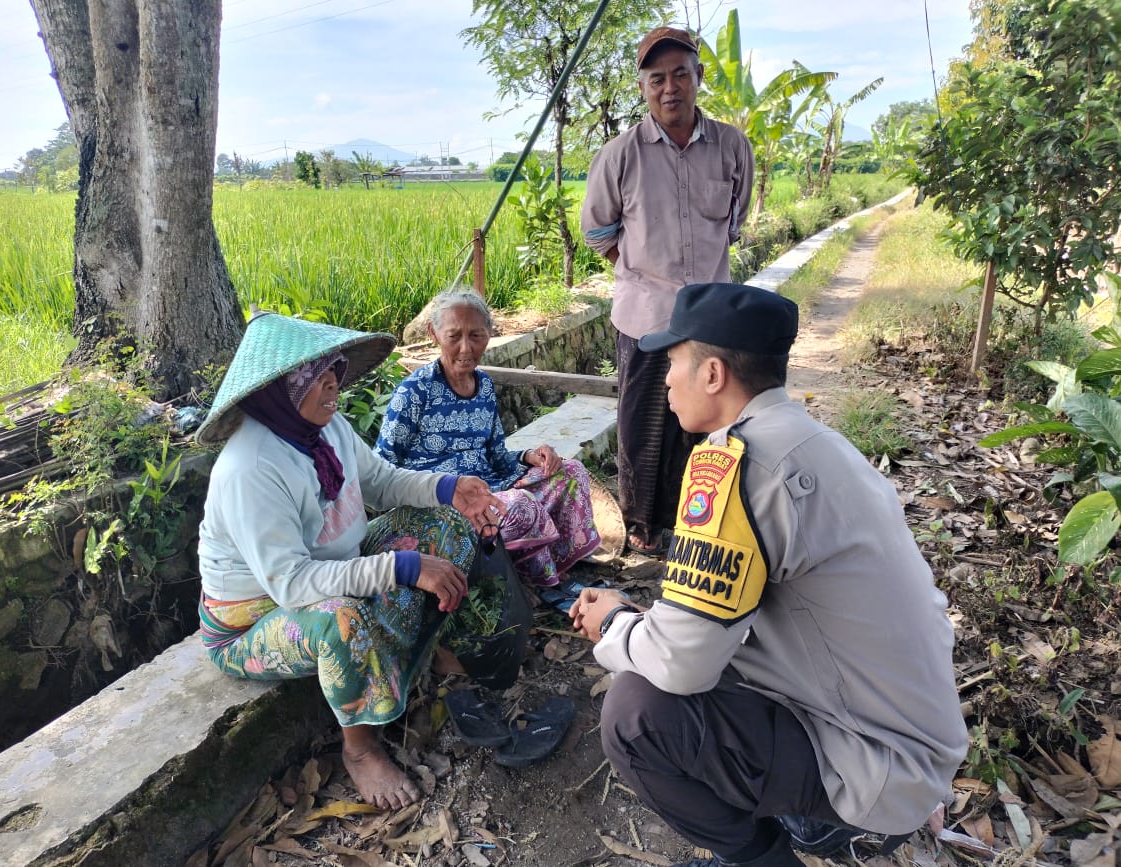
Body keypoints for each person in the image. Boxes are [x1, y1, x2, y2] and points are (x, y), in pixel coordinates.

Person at [569, 283, 968, 867]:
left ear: (712, 374)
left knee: (636, 713)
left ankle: (767, 856)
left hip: (878, 762)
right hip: (912, 738)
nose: (666, 380)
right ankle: (857, 806)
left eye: (673, 363)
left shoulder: (734, 465)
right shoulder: (817, 441)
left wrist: (615, 626)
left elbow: (682, 663)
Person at [196, 312, 506, 811]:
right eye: (315, 379)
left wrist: (448, 488)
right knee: (342, 619)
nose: (333, 385)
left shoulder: (326, 426)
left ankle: (412, 661)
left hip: (339, 564)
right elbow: (294, 586)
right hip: (254, 619)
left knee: (446, 525)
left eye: (334, 371)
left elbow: (381, 480)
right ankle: (360, 749)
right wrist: (402, 567)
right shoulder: (250, 469)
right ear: (278, 391)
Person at [580, 26, 755, 558]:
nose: (670, 87)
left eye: (681, 73)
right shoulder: (620, 155)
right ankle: (641, 526)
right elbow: (597, 230)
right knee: (642, 424)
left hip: (709, 319)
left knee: (703, 423)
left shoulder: (732, 146)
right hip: (643, 316)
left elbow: (735, 221)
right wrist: (636, 269)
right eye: (657, 78)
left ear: (699, 77)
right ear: (644, 87)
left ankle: (693, 522)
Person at [374, 289, 601, 588]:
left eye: (476, 336)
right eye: (454, 336)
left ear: (490, 334)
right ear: (434, 334)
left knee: (571, 473)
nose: (466, 348)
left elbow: (496, 456)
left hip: (489, 488)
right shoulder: (414, 392)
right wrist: (438, 491)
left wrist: (528, 456)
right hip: (440, 505)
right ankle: (528, 582)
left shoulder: (484, 387)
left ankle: (555, 563)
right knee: (520, 506)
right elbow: (381, 468)